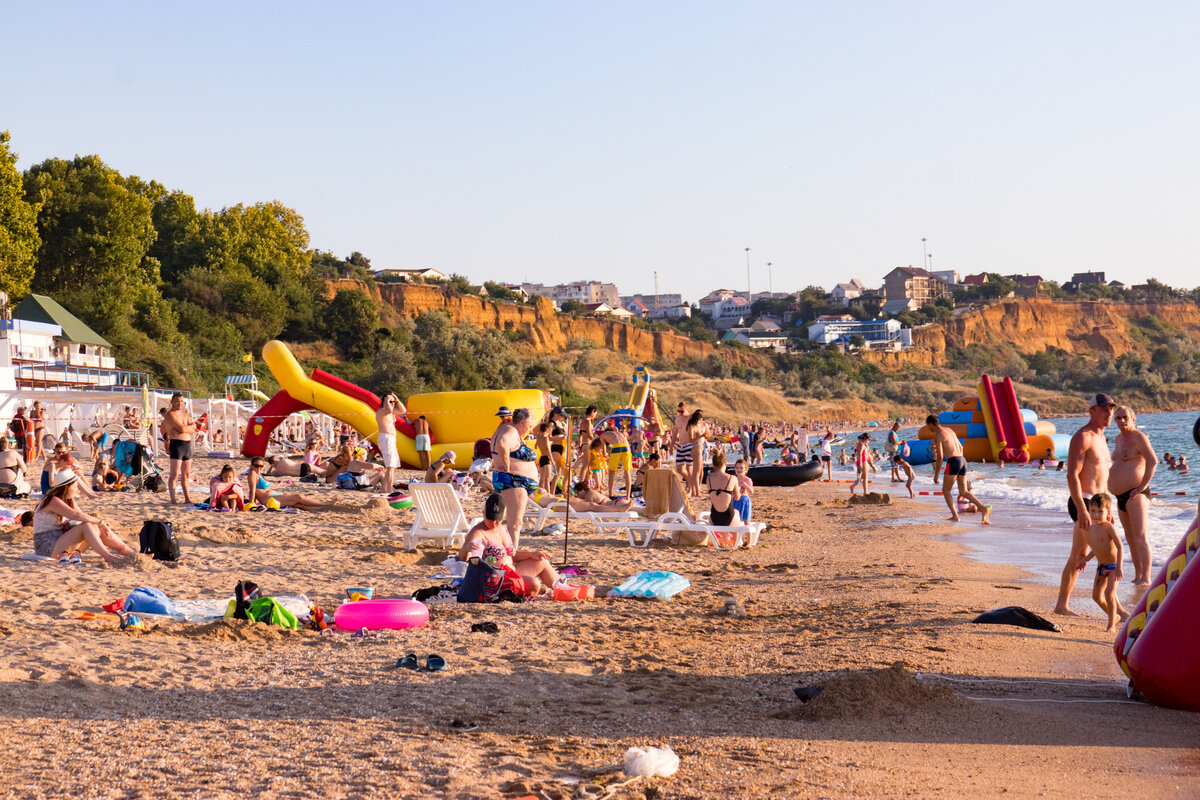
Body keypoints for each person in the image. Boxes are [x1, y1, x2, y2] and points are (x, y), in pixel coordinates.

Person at [1056, 393, 1116, 617]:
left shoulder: (1101, 438)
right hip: (1085, 502)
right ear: (1091, 411)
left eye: (1110, 409)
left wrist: (1108, 509)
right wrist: (1082, 509)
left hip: (1099, 503)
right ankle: (1112, 608)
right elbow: (1072, 475)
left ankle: (1064, 605)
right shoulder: (1083, 436)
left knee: (1085, 554)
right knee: (1099, 554)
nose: (1108, 413)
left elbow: (1102, 477)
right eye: (1103, 409)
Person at [458, 493, 559, 595]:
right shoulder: (478, 533)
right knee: (534, 583)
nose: (493, 523)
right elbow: (463, 559)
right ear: (483, 513)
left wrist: (531, 555)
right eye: (490, 519)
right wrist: (466, 548)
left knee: (542, 561)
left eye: (497, 520)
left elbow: (512, 555)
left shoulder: (501, 528)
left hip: (512, 570)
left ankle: (562, 589)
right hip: (494, 578)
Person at [32, 472, 134, 564]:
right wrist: (100, 522)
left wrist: (99, 525)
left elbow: (83, 516)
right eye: (75, 487)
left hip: (59, 541)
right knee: (88, 525)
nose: (77, 490)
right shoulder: (52, 500)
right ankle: (108, 556)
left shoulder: (68, 500)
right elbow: (76, 515)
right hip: (46, 546)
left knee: (92, 525)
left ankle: (129, 552)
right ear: (66, 487)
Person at [1107, 406, 1156, 587]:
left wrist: (1141, 486)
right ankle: (1138, 574)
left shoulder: (1139, 437)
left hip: (1136, 493)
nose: (1121, 421)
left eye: (1125, 417)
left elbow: (1153, 461)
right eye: (1118, 418)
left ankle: (1147, 577)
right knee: (1129, 537)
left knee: (1140, 536)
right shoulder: (1118, 439)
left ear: (1133, 418)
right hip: (1121, 496)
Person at [927, 414, 991, 524]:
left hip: (953, 462)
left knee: (946, 491)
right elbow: (961, 447)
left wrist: (936, 474)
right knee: (963, 491)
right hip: (962, 460)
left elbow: (940, 457)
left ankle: (955, 516)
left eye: (928, 426)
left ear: (931, 424)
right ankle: (983, 508)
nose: (928, 428)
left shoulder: (938, 435)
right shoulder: (949, 430)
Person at [490, 407, 539, 545]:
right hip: (513, 481)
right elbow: (501, 444)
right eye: (529, 426)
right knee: (515, 524)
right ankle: (512, 555)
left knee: (511, 521)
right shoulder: (510, 431)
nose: (530, 430)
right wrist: (506, 464)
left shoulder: (508, 429)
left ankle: (509, 552)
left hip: (513, 482)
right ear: (522, 423)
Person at [1082, 494, 1129, 633]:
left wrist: (1120, 567)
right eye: (1093, 511)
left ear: (1108, 513)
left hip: (1113, 566)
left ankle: (1111, 626)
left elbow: (1120, 547)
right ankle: (1114, 616)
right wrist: (1086, 559)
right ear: (1089, 511)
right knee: (1096, 596)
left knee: (1109, 595)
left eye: (1100, 511)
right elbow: (1096, 548)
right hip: (1101, 567)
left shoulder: (1109, 528)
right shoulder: (1091, 528)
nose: (1096, 515)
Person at [246, 458, 327, 510]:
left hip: (273, 498)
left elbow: (257, 491)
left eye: (261, 466)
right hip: (270, 500)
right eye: (256, 466)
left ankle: (323, 508)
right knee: (299, 497)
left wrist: (255, 501)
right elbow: (253, 490)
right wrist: (251, 504)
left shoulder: (260, 474)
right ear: (251, 466)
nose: (259, 468)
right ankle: (325, 504)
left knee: (298, 505)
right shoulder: (252, 473)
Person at [160, 393, 196, 505]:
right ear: (171, 402)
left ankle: (187, 498)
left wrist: (184, 429)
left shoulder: (185, 414)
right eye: (176, 401)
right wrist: (185, 428)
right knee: (174, 474)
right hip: (176, 444)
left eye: (181, 401)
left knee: (186, 475)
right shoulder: (170, 414)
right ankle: (173, 499)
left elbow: (194, 428)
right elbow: (181, 427)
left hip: (186, 445)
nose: (179, 404)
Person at [705, 450, 741, 526]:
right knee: (737, 512)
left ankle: (724, 538)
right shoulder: (732, 478)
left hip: (714, 518)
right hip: (729, 517)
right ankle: (736, 538)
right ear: (725, 463)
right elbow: (737, 498)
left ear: (713, 464)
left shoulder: (708, 478)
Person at [375, 394, 402, 493]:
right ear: (384, 401)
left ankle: (384, 488)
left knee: (392, 466)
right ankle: (389, 489)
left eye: (393, 402)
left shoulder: (390, 412)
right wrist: (387, 400)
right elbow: (389, 410)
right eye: (391, 402)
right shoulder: (381, 411)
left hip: (391, 439)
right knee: (390, 466)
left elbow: (403, 411)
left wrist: (397, 400)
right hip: (386, 438)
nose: (392, 404)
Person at [600, 420, 633, 497]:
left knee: (611, 473)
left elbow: (604, 448)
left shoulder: (603, 435)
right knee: (627, 472)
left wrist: (605, 453)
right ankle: (628, 496)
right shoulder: (618, 433)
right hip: (626, 446)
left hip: (617, 447)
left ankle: (611, 495)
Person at [682, 410, 707, 497]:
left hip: (699, 448)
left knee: (697, 471)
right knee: (696, 472)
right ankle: (697, 493)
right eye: (700, 420)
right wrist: (701, 436)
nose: (701, 421)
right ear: (697, 419)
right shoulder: (691, 426)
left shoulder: (695, 426)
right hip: (696, 449)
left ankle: (694, 491)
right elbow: (691, 440)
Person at [264, 455, 329, 479]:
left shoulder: (277, 471)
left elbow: (267, 474)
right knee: (323, 472)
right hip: (304, 467)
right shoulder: (283, 460)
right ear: (275, 458)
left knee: (320, 475)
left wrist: (271, 467)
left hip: (302, 475)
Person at [731, 457, 753, 523]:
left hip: (744, 500)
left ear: (746, 470)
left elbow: (751, 491)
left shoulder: (747, 479)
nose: (739, 470)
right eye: (737, 468)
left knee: (746, 519)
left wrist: (744, 485)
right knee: (734, 519)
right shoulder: (733, 478)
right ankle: (735, 532)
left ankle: (749, 533)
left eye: (741, 468)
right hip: (735, 499)